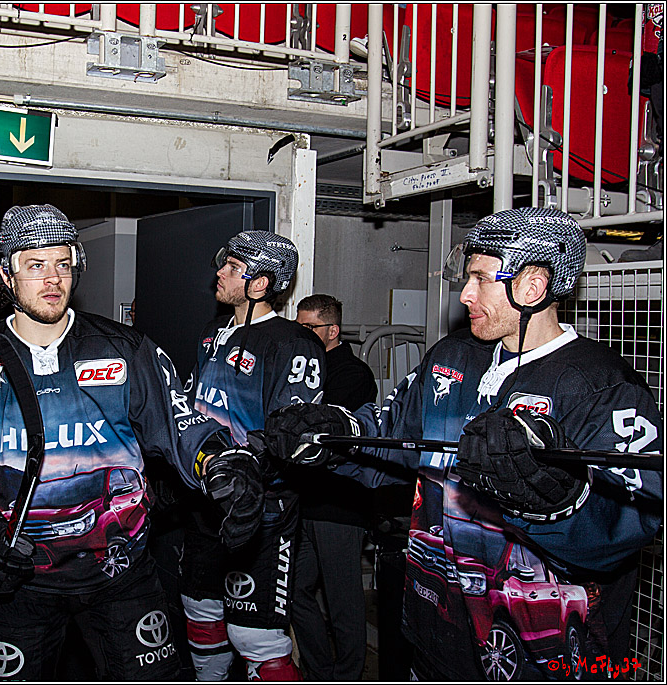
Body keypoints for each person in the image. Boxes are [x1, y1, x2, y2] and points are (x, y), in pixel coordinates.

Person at [265, 207, 663, 680]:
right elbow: (393, 433)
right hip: (439, 636)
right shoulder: (452, 356)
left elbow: (633, 521)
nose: (465, 294)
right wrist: (332, 435)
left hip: (545, 659)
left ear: (532, 287)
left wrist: (554, 496)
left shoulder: (602, 386)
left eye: (481, 278)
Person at [0, 204, 265, 681]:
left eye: (62, 263)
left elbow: (179, 423)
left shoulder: (125, 348)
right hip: (21, 580)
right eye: (35, 265)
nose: (52, 279)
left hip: (122, 574)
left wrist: (223, 461)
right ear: (7, 275)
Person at [180, 230, 328, 681]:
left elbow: (292, 436)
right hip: (206, 502)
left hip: (262, 509)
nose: (220, 274)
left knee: (254, 637)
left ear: (260, 284)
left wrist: (246, 474)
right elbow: (192, 407)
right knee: (201, 613)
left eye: (233, 268)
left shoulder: (293, 343)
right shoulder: (212, 333)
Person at [291, 294, 378, 681]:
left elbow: (320, 428)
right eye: (298, 327)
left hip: (340, 503)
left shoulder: (352, 374)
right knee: (292, 590)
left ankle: (347, 675)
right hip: (306, 500)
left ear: (333, 330)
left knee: (343, 602)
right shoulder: (304, 369)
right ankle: (320, 670)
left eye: (308, 327)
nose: (301, 334)